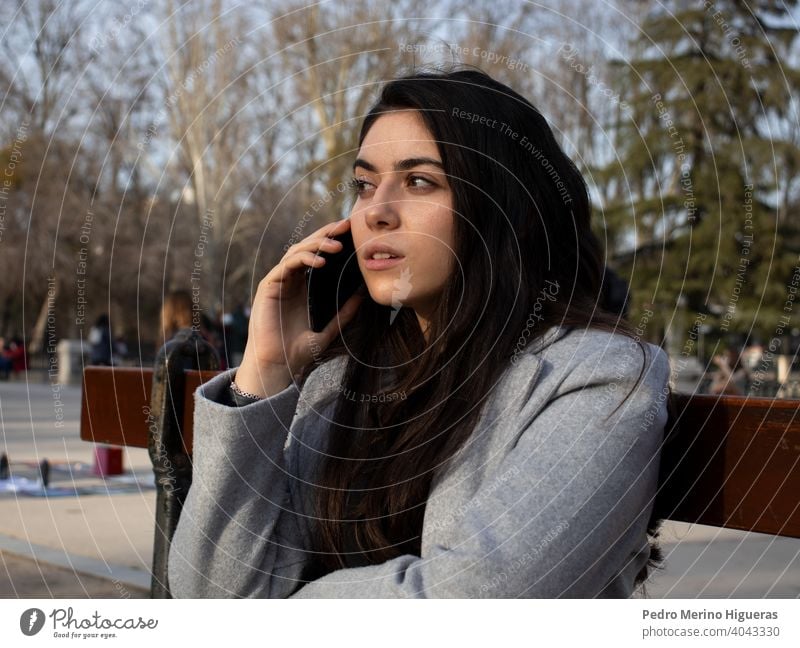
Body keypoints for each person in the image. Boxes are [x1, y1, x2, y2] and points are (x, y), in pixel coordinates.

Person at [168, 67, 673, 598]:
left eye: (419, 181)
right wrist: (264, 373)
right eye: (364, 185)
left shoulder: (598, 377)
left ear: (508, 210)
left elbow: (479, 601)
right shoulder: (339, 385)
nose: (377, 212)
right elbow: (209, 590)